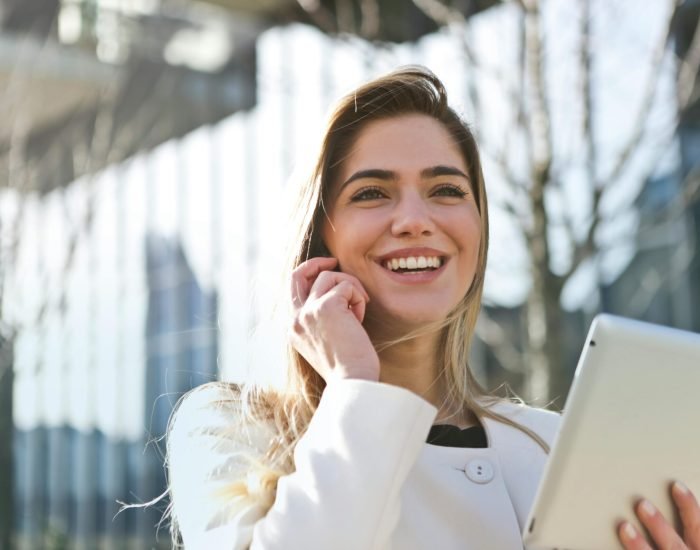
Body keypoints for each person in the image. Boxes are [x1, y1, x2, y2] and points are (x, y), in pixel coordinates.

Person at [166, 66, 700, 549]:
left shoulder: (555, 446)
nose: (415, 220)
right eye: (372, 193)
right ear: (318, 239)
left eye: (446, 189)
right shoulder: (226, 430)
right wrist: (356, 386)